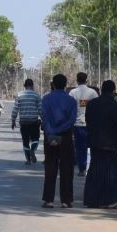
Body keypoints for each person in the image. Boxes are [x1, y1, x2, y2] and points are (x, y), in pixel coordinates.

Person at [83, 80, 117, 209]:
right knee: (109, 172)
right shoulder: (114, 104)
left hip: (95, 141)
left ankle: (92, 200)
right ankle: (110, 200)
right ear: (113, 91)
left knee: (95, 170)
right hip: (110, 143)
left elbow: (87, 120)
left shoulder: (92, 104)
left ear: (101, 89)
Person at [41, 74, 78, 208]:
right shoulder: (71, 101)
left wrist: (51, 131)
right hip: (66, 136)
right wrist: (60, 130)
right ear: (65, 85)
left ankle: (49, 200)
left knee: (50, 167)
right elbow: (72, 120)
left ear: (53, 85)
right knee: (67, 168)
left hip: (50, 136)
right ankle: (66, 200)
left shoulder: (46, 99)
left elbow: (44, 117)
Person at [69, 72, 98, 177]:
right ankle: (92, 168)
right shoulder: (93, 93)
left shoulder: (72, 93)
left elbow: (70, 108)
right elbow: (97, 107)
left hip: (77, 124)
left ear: (77, 80)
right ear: (86, 80)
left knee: (79, 147)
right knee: (92, 147)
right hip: (90, 124)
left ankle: (82, 168)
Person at [11, 79, 42, 165]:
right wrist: (44, 120)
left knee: (25, 141)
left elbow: (15, 109)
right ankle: (33, 151)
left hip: (23, 122)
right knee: (35, 139)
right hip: (34, 122)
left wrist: (13, 120)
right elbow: (40, 109)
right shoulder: (36, 95)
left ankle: (28, 160)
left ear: (24, 86)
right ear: (32, 86)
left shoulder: (19, 95)